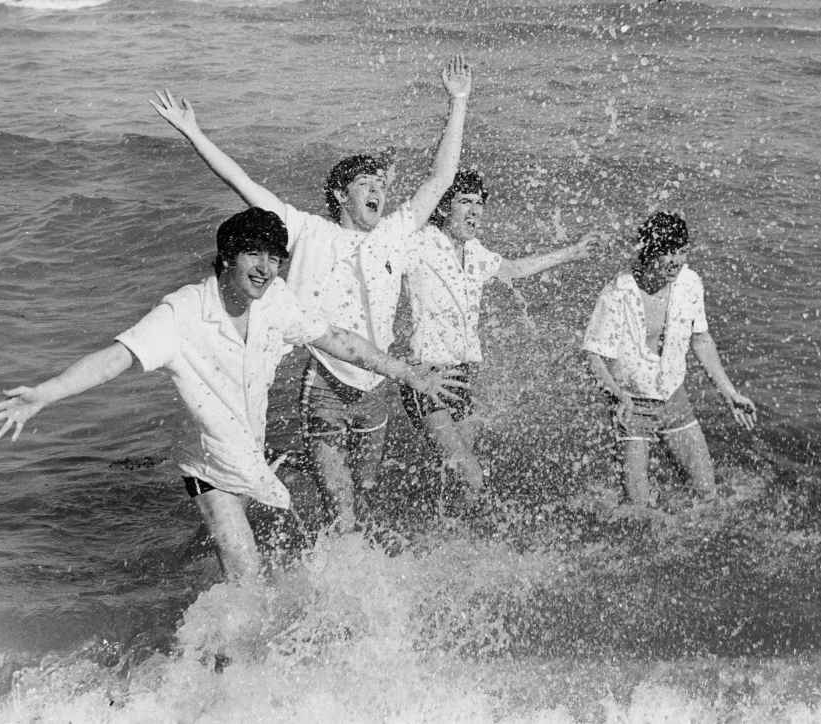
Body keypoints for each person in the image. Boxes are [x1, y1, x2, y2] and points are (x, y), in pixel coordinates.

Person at [0, 208, 460, 580]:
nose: (266, 268)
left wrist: (407, 373)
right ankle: (230, 676)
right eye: (255, 255)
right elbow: (116, 358)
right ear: (228, 256)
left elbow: (335, 338)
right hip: (207, 463)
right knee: (244, 563)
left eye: (275, 258)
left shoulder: (274, 301)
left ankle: (175, 566)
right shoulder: (182, 314)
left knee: (226, 540)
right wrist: (43, 394)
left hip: (248, 448)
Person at [150, 55, 473, 530]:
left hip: (376, 385)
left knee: (362, 497)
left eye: (382, 184)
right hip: (324, 383)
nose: (379, 191)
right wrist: (194, 133)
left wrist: (459, 102)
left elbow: (441, 179)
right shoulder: (305, 231)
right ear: (342, 195)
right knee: (341, 513)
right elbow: (243, 184)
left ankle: (295, 465)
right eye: (367, 183)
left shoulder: (396, 232)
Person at [399, 169, 599, 507]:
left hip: (462, 375)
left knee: (454, 475)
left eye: (479, 204)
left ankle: (442, 538)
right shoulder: (418, 243)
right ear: (444, 207)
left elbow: (515, 270)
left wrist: (571, 253)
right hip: (426, 374)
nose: (475, 211)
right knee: (471, 474)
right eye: (465, 202)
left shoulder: (475, 251)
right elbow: (376, 262)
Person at [582, 211, 756, 509]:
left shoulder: (690, 283)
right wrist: (616, 395)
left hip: (674, 398)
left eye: (682, 251)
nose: (676, 260)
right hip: (631, 405)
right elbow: (593, 356)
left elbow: (701, 340)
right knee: (635, 512)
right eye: (667, 252)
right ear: (650, 251)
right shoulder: (618, 292)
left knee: (707, 497)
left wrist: (729, 393)